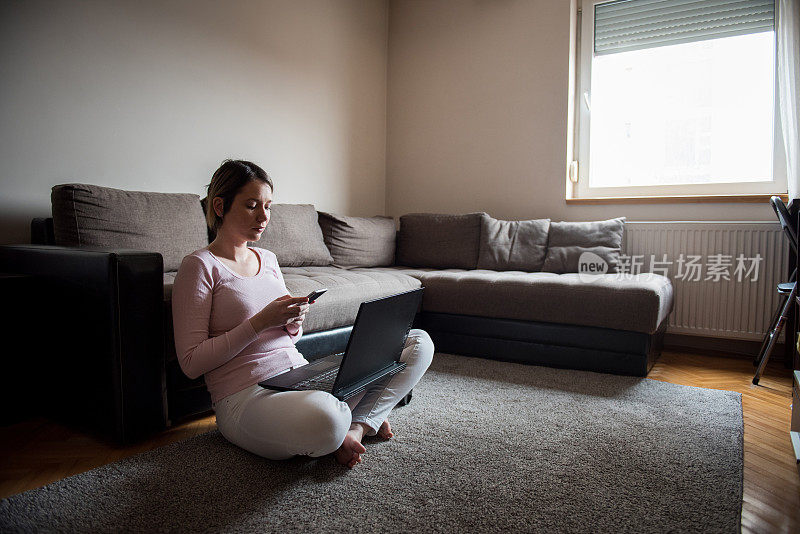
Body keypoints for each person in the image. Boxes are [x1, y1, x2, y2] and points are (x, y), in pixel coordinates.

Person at [172, 159, 434, 468]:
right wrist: (260, 322)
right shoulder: (199, 266)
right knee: (325, 418)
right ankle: (362, 414)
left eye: (268, 206)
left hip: (300, 375)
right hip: (245, 397)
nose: (263, 217)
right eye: (252, 205)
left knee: (418, 342)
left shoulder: (267, 259)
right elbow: (191, 363)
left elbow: (285, 336)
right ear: (220, 205)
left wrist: (294, 322)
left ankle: (357, 427)